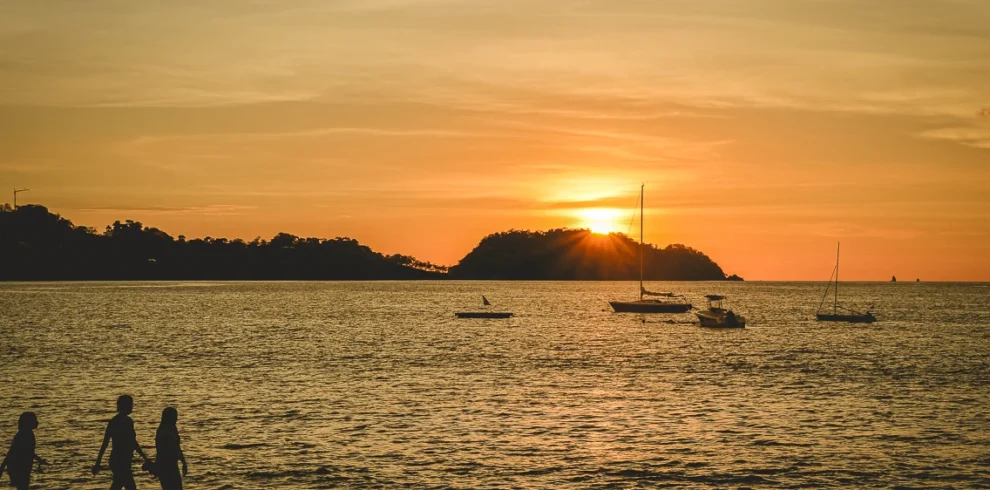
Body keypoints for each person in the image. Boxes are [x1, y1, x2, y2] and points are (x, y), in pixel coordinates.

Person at [93, 395, 151, 490]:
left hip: (118, 460)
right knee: (129, 486)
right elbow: (133, 442)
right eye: (130, 405)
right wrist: (145, 458)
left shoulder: (113, 421)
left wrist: (98, 462)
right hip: (120, 461)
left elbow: (105, 443)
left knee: (119, 484)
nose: (132, 407)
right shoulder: (126, 421)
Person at [0, 412, 47, 490]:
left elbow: (28, 452)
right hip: (19, 467)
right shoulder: (26, 435)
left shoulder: (24, 434)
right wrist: (2, 467)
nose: (37, 422)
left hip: (19, 467)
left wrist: (39, 460)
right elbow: (12, 452)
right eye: (34, 420)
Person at [154, 408, 187, 490]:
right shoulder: (162, 431)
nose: (176, 419)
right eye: (174, 417)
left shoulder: (173, 428)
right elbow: (160, 451)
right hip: (165, 465)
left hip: (173, 463)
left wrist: (183, 462)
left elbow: (177, 446)